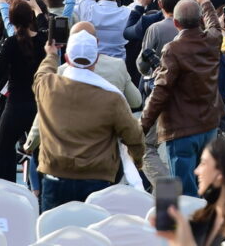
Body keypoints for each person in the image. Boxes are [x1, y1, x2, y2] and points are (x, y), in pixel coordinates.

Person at [34, 28, 144, 211]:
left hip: (55, 177)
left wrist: (51, 55)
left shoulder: (48, 87)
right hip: (97, 180)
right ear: (96, 59)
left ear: (67, 59)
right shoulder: (112, 98)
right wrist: (137, 161)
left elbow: (41, 75)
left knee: (53, 236)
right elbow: (134, 136)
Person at [140, 0, 223, 197]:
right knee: (208, 185)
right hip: (209, 124)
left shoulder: (172, 49)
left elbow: (161, 90)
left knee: (185, 193)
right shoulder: (213, 40)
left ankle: (187, 228)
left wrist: (143, 124)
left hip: (181, 129)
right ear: (200, 21)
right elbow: (215, 25)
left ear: (176, 23)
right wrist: (204, 0)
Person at [0, 0, 46, 181]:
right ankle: (42, 193)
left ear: (11, 20)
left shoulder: (11, 43)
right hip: (38, 105)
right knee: (42, 152)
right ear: (31, 19)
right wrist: (37, 9)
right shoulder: (43, 41)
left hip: (15, 105)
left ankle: (2, 189)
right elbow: (45, 27)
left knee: (1, 153)